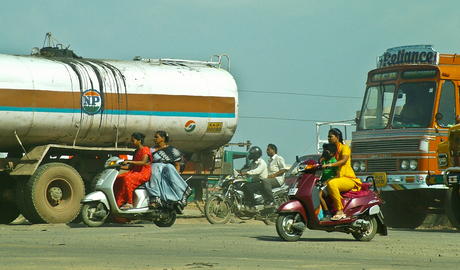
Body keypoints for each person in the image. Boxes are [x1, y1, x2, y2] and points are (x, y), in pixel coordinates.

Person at [322, 128, 362, 221]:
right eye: (328, 136)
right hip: (335, 178)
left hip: (348, 179)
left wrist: (329, 165)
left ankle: (340, 211)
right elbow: (321, 161)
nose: (328, 139)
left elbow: (343, 161)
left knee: (332, 184)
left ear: (337, 137)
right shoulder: (330, 151)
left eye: (330, 136)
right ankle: (325, 213)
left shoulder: (345, 148)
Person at [146, 131, 192, 210]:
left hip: (166, 171)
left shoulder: (171, 149)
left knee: (169, 167)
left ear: (163, 138)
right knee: (155, 169)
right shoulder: (152, 150)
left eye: (156, 137)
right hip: (156, 171)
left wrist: (175, 177)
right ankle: (156, 199)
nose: (154, 139)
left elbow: (177, 164)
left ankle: (184, 192)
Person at [114, 132, 152, 210]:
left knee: (127, 179)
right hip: (134, 172)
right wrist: (118, 167)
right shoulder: (136, 152)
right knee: (118, 178)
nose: (131, 142)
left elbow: (143, 162)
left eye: (133, 140)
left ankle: (129, 202)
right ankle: (118, 202)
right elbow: (131, 167)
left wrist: (130, 161)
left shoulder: (145, 149)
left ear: (139, 141)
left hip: (143, 173)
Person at [318, 143, 339, 221]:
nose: (324, 152)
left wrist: (327, 181)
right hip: (322, 182)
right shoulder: (323, 161)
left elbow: (337, 175)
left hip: (329, 183)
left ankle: (327, 214)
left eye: (326, 151)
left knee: (319, 195)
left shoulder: (334, 162)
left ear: (332, 153)